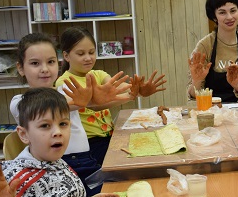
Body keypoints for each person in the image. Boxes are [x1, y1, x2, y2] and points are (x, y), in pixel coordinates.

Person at [9, 32, 131, 196]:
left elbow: (91, 104)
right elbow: (52, 106)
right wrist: (89, 101)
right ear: (20, 68)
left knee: (124, 189)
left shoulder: (65, 91)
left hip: (86, 160)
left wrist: (132, 95)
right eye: (35, 63)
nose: (45, 69)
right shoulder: (19, 102)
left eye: (51, 62)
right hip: (57, 168)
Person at [56, 27, 166, 165]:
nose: (88, 58)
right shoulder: (65, 82)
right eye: (80, 53)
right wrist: (130, 95)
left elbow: (117, 90)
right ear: (66, 56)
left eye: (91, 52)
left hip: (109, 135)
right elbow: (96, 105)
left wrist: (136, 91)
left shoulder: (99, 74)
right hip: (89, 144)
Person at [187, 0, 238, 103]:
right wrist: (196, 81)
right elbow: (192, 95)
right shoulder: (205, 45)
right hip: (212, 110)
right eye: (222, 12)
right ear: (214, 17)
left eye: (233, 11)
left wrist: (237, 85)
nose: (229, 17)